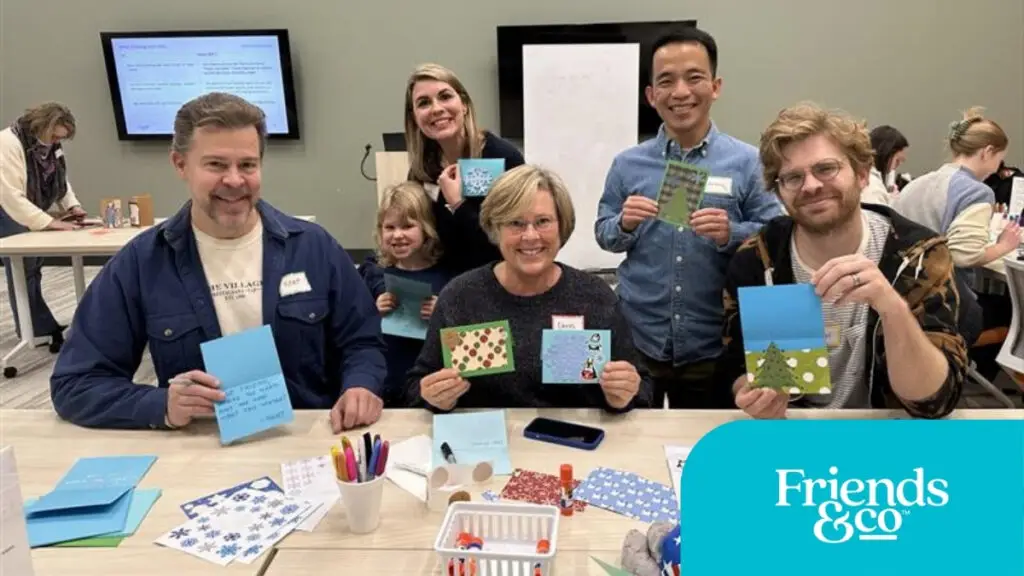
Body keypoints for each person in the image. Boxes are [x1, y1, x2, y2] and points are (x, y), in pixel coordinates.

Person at [50, 92, 387, 432]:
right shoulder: (142, 262)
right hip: (201, 447)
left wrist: (361, 385)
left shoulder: (314, 248)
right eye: (216, 165)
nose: (235, 180)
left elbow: (363, 340)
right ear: (180, 164)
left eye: (247, 165)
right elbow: (76, 383)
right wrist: (161, 405)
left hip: (307, 442)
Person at [720, 102, 966, 419]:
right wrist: (751, 393)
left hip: (889, 435)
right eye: (792, 177)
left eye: (826, 169)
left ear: (862, 175)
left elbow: (935, 401)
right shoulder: (757, 259)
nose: (810, 186)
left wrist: (891, 307)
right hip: (793, 434)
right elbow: (734, 365)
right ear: (779, 192)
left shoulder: (917, 256)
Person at [594, 27, 783, 409]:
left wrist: (732, 232)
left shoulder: (747, 163)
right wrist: (624, 225)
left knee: (703, 447)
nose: (680, 92)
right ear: (651, 95)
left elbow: (777, 237)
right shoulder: (628, 164)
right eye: (666, 81)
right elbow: (603, 233)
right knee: (632, 439)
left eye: (694, 78)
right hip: (638, 334)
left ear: (715, 86)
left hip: (711, 341)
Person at [407, 165, 650, 412]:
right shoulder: (460, 297)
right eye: (516, 223)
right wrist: (434, 397)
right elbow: (417, 386)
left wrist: (621, 395)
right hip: (487, 445)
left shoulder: (594, 297)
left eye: (543, 221)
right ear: (495, 229)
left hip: (575, 444)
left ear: (561, 226)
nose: (530, 236)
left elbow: (642, 388)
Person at [404, 63, 526, 276]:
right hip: (444, 287)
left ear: (464, 104)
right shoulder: (422, 169)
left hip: (498, 283)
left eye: (445, 96)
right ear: (414, 117)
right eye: (424, 103)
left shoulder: (503, 157)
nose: (436, 109)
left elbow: (512, 241)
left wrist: (458, 205)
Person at [0, 102, 87, 353]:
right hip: (6, 204)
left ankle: (39, 326)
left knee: (33, 267)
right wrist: (50, 222)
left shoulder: (49, 145)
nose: (56, 141)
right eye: (55, 135)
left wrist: (73, 206)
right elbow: (10, 195)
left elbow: (60, 180)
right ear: (43, 125)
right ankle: (32, 330)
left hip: (23, 204)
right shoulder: (8, 143)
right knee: (22, 266)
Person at [359, 181, 451, 406]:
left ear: (426, 228)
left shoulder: (447, 278)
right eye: (390, 228)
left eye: (407, 226)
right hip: (384, 384)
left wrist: (443, 313)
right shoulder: (372, 274)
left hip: (428, 389)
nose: (397, 235)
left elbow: (460, 340)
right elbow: (353, 329)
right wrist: (373, 312)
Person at [861, 125, 909, 206]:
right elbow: (876, 215)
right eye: (897, 161)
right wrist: (892, 202)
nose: (896, 167)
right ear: (886, 154)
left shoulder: (868, 178)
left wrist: (888, 197)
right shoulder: (872, 185)